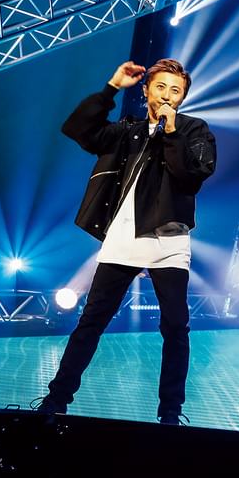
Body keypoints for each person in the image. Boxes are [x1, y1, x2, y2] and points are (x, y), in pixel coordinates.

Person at [34, 59, 216, 425]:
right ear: (146, 90)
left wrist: (171, 132)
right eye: (160, 87)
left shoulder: (193, 130)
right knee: (91, 321)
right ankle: (56, 401)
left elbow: (192, 174)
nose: (167, 96)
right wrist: (111, 87)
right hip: (123, 238)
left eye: (175, 91)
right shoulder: (126, 131)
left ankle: (170, 413)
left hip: (168, 241)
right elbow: (78, 129)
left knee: (175, 327)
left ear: (182, 98)